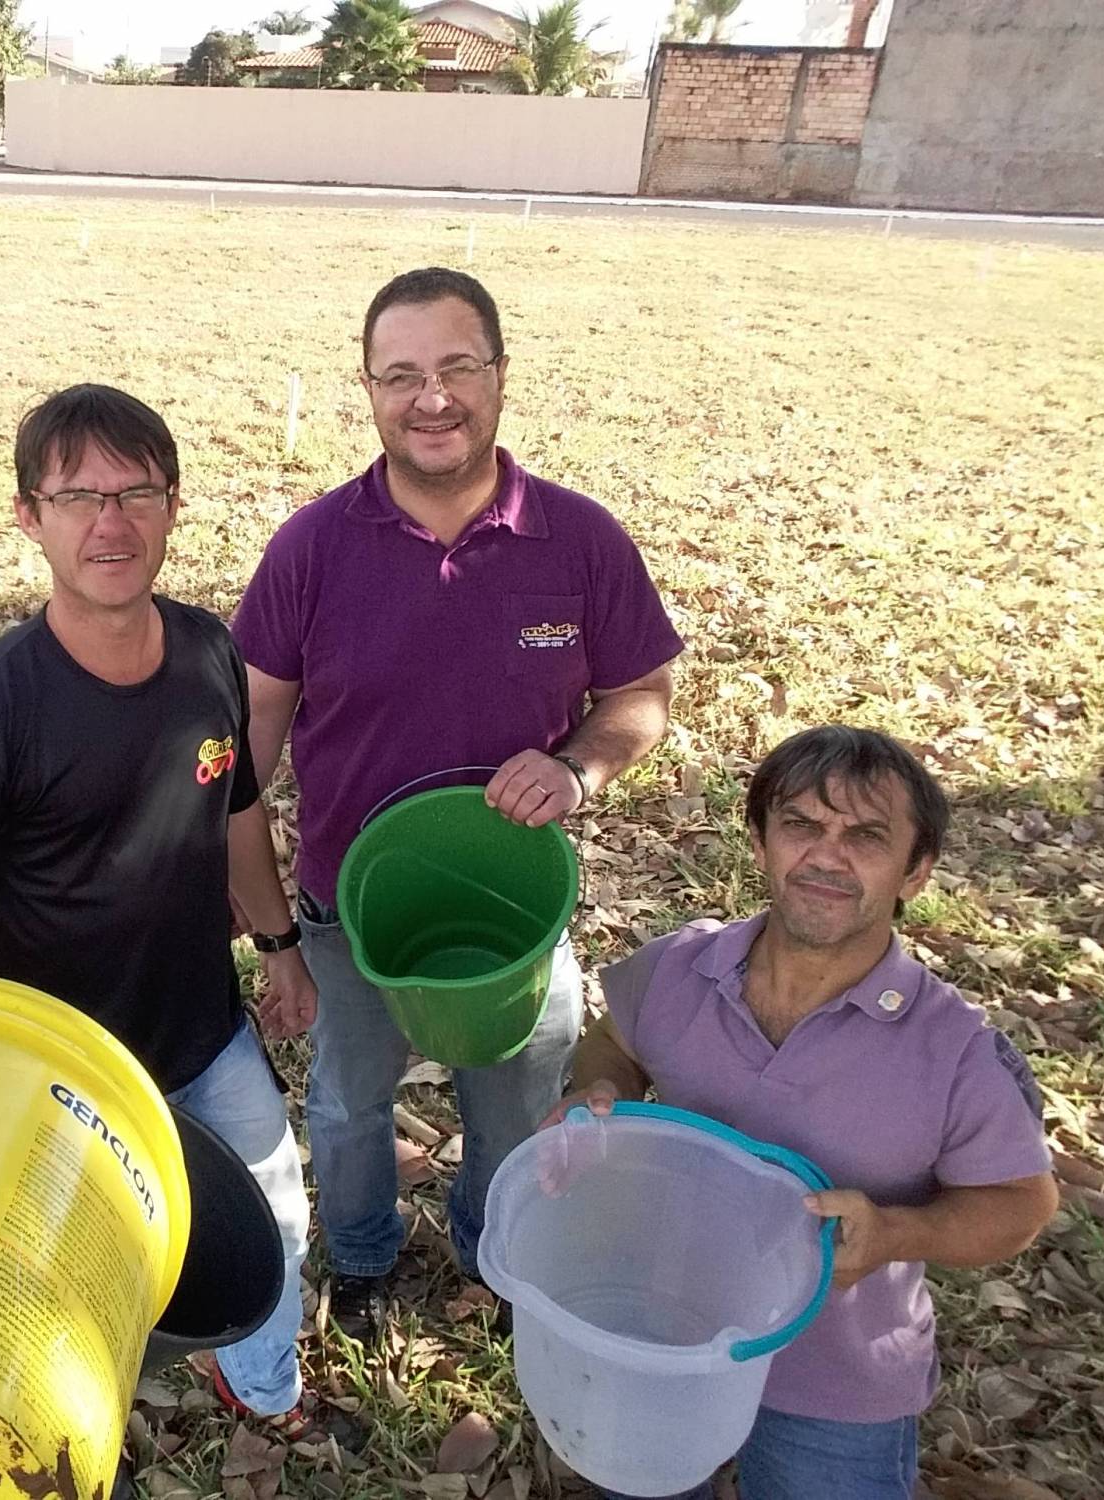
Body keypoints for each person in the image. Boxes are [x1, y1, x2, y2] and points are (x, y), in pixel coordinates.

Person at [232, 266, 684, 1336]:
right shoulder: (311, 546)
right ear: (368, 391)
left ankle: (495, 1249)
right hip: (350, 912)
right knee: (344, 1110)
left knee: (516, 1104)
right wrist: (272, 937)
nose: (429, 398)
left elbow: (640, 693)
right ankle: (364, 1259)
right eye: (400, 376)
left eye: (454, 368)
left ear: (498, 377)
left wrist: (580, 765)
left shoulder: (576, 541)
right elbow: (245, 743)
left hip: (512, 919)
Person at [0, 384, 331, 1440]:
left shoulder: (205, 653)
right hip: (62, 1065)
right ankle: (59, 1434)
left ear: (173, 505)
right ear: (26, 516)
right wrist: (11, 1068)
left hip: (201, 1029)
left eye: (135, 491)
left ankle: (261, 1383)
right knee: (55, 1278)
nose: (110, 522)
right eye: (78, 495)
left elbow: (235, 809)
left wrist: (277, 948)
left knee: (272, 1222)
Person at [550, 725, 1057, 1500]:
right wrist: (597, 1097)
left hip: (836, 1385)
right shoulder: (680, 969)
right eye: (801, 825)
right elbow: (613, 1044)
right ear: (759, 842)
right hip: (662, 1338)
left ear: (915, 872)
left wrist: (896, 1233)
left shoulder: (954, 1049)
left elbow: (1021, 1203)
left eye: (866, 836)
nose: (827, 856)